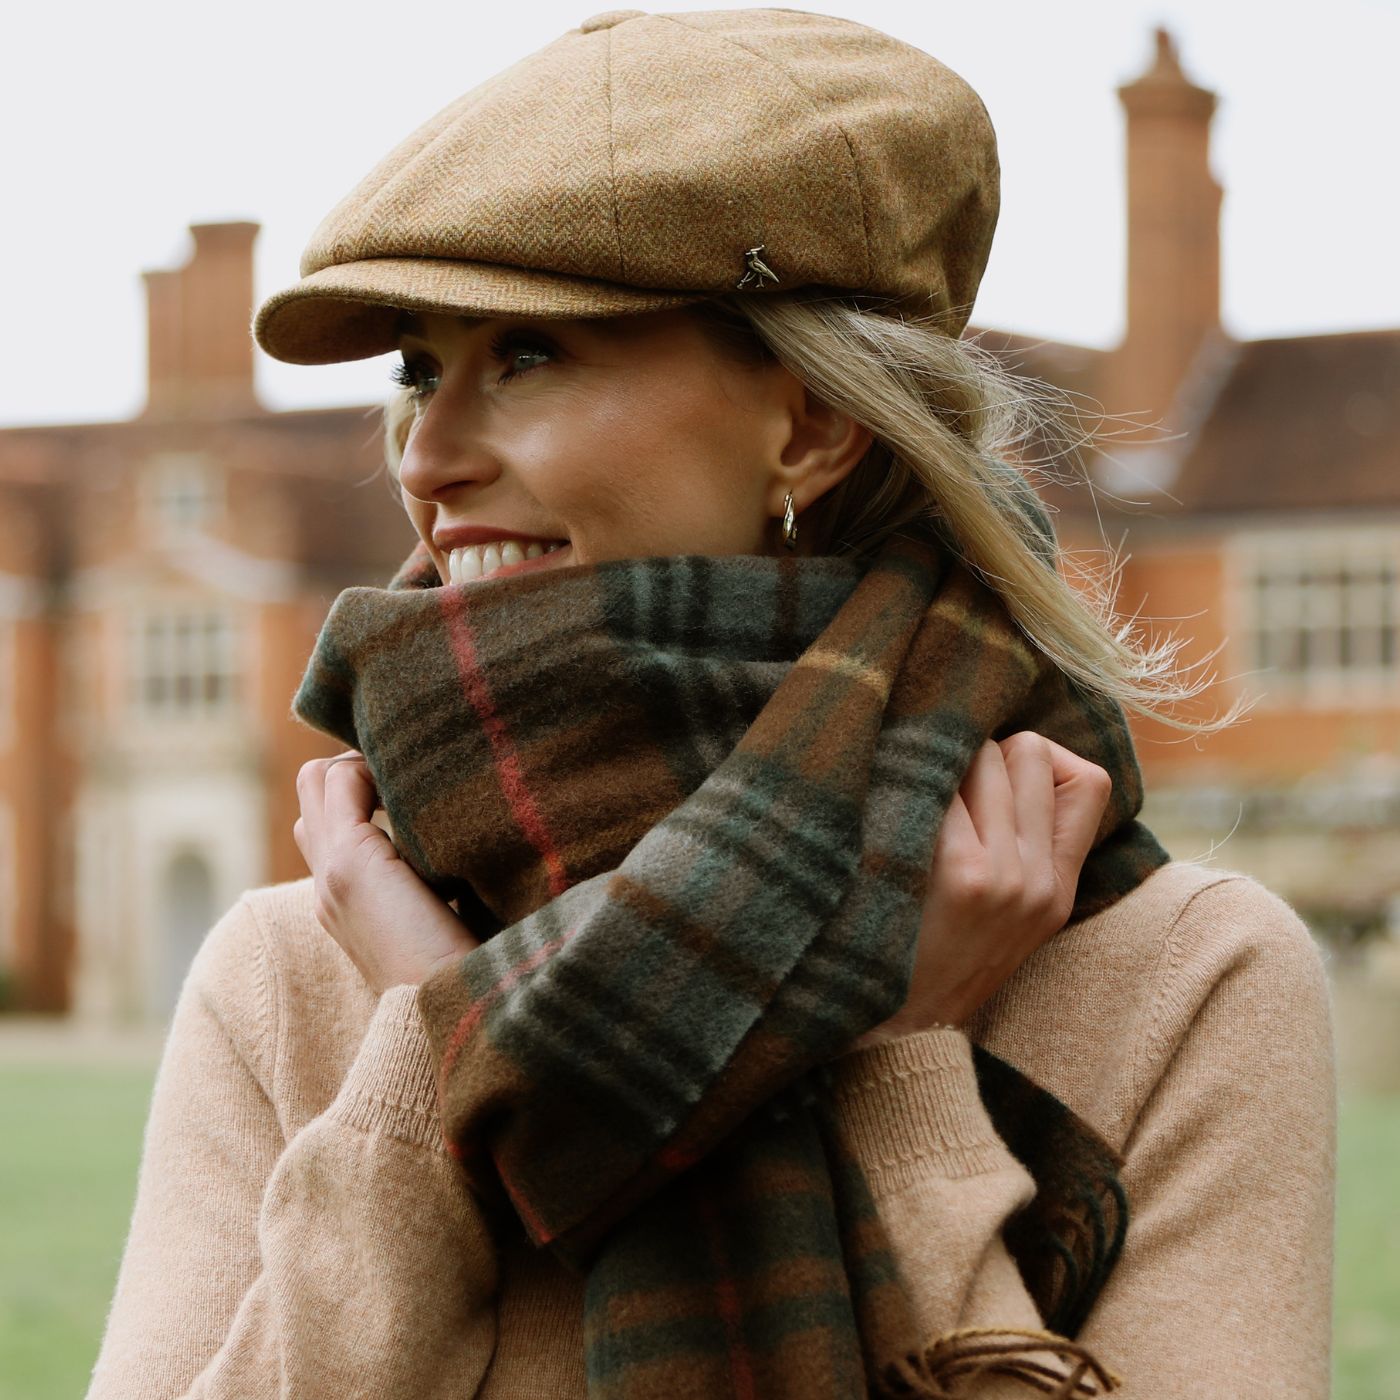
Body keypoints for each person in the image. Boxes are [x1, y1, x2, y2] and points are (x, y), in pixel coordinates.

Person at [87, 10, 1334, 1399]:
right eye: (421, 368)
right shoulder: (293, 968)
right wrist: (437, 1046)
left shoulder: (1178, 976)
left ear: (805, 424)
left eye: (531, 356)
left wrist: (897, 1069)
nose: (427, 456)